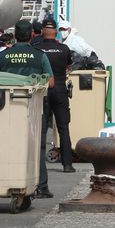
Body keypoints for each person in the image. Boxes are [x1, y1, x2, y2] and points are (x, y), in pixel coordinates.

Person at [0, 20, 56, 197]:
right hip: (34, 107)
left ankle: (10, 182)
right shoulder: (39, 55)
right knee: (38, 146)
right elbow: (51, 83)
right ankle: (41, 187)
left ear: (14, 36)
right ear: (32, 35)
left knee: (9, 145)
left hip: (8, 107)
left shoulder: (4, 55)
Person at [34, 17, 75, 174]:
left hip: (43, 90)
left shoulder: (36, 48)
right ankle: (67, 164)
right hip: (60, 89)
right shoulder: (64, 49)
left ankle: (39, 164)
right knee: (64, 128)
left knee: (42, 129)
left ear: (43, 30)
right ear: (56, 31)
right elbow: (68, 65)